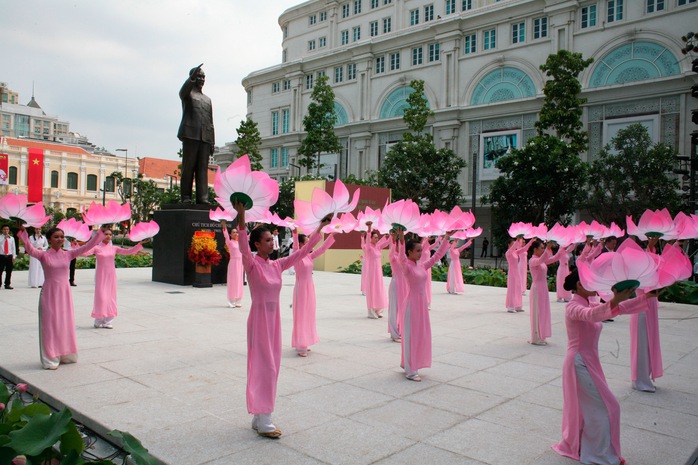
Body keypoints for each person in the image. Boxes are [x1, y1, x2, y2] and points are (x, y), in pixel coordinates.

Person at [233, 200, 330, 438]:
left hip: (274, 321)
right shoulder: (252, 264)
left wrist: (320, 229)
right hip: (259, 321)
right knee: (264, 366)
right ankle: (265, 417)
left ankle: (259, 415)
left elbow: (303, 252)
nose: (271, 243)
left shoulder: (277, 265)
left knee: (272, 366)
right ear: (257, 244)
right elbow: (243, 244)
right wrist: (242, 216)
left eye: (271, 240)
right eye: (267, 240)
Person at [552, 270, 657, 465]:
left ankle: (591, 449)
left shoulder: (590, 302)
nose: (595, 285)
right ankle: (597, 455)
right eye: (590, 282)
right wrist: (615, 301)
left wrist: (647, 297)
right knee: (608, 406)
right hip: (578, 363)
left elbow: (618, 309)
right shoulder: (573, 307)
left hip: (590, 361)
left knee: (592, 408)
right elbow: (591, 315)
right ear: (580, 286)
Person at [18, 224, 106, 369]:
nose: (60, 239)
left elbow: (87, 246)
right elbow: (28, 248)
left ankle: (65, 354)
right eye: (56, 237)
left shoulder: (68, 254)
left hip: (64, 294)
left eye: (61, 237)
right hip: (49, 293)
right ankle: (51, 357)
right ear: (49, 239)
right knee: (50, 325)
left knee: (65, 323)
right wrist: (23, 232)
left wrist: (100, 234)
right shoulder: (43, 255)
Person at [395, 229, 451, 381]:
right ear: (410, 252)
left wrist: (446, 237)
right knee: (411, 336)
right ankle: (411, 370)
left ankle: (408, 363)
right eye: (418, 250)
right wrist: (401, 239)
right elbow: (401, 257)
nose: (421, 253)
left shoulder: (421, 266)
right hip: (411, 305)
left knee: (420, 335)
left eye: (421, 250)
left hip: (421, 306)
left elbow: (437, 256)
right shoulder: (406, 267)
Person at [84, 229, 144, 329]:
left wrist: (139, 245)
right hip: (101, 275)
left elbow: (128, 251)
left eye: (110, 234)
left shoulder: (114, 248)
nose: (108, 236)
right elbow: (85, 253)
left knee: (111, 297)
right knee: (101, 297)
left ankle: (108, 321)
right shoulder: (96, 248)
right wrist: (75, 245)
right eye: (106, 234)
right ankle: (98, 319)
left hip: (111, 276)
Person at [290, 229, 336, 356]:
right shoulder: (297, 255)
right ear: (301, 245)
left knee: (308, 314)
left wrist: (332, 235)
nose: (310, 244)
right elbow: (295, 246)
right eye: (307, 242)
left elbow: (322, 249)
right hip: (301, 288)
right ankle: (301, 344)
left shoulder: (309, 256)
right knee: (301, 315)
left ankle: (305, 340)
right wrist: (294, 233)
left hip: (310, 288)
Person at [177, 64, 214, 205]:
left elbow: (211, 122)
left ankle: (202, 198)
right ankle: (186, 197)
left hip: (205, 137)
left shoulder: (207, 99)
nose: (201, 79)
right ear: (192, 78)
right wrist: (191, 79)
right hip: (190, 134)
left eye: (203, 76)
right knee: (188, 167)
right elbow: (182, 92)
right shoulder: (188, 95)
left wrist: (212, 142)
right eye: (199, 76)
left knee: (202, 169)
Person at [528, 240, 562, 346]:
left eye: (544, 248)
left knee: (543, 311)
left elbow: (554, 258)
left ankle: (542, 335)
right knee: (537, 312)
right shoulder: (533, 260)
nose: (543, 249)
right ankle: (536, 337)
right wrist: (548, 247)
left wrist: (563, 248)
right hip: (537, 288)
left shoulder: (541, 260)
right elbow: (543, 259)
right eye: (541, 248)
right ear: (535, 249)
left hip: (543, 288)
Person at [362, 224, 391, 319]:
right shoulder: (368, 247)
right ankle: (371, 310)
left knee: (379, 289)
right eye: (375, 237)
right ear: (370, 238)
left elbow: (387, 242)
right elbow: (367, 239)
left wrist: (392, 235)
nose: (377, 239)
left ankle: (379, 309)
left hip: (378, 272)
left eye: (377, 237)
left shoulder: (377, 247)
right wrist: (369, 228)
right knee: (372, 290)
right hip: (371, 272)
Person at [387, 232, 407, 342]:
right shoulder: (393, 256)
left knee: (402, 308)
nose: (401, 247)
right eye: (398, 245)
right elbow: (391, 252)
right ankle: (394, 334)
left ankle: (401, 330)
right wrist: (393, 240)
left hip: (405, 284)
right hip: (396, 284)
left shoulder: (404, 258)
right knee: (394, 309)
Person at [505, 238, 532, 313]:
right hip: (512, 272)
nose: (515, 245)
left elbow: (525, 248)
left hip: (517, 272)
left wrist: (531, 241)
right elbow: (513, 247)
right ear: (509, 245)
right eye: (513, 244)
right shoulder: (508, 253)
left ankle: (518, 306)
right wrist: (518, 239)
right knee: (513, 289)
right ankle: (511, 306)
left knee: (518, 288)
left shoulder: (515, 252)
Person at [221, 220, 243, 307]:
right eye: (233, 232)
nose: (235, 234)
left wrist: (257, 226)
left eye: (236, 232)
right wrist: (224, 225)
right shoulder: (229, 242)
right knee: (233, 281)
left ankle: (238, 299)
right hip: (233, 262)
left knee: (239, 281)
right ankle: (231, 300)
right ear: (230, 234)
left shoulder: (239, 242)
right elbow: (225, 236)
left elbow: (248, 236)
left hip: (240, 263)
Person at [0, 225, 16, 289]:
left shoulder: (11, 238)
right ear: (2, 230)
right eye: (4, 229)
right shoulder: (0, 237)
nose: (6, 231)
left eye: (7, 229)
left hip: (9, 256)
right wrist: (4, 238)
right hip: (1, 256)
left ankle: (7, 284)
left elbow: (13, 248)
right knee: (0, 270)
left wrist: (14, 256)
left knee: (9, 271)